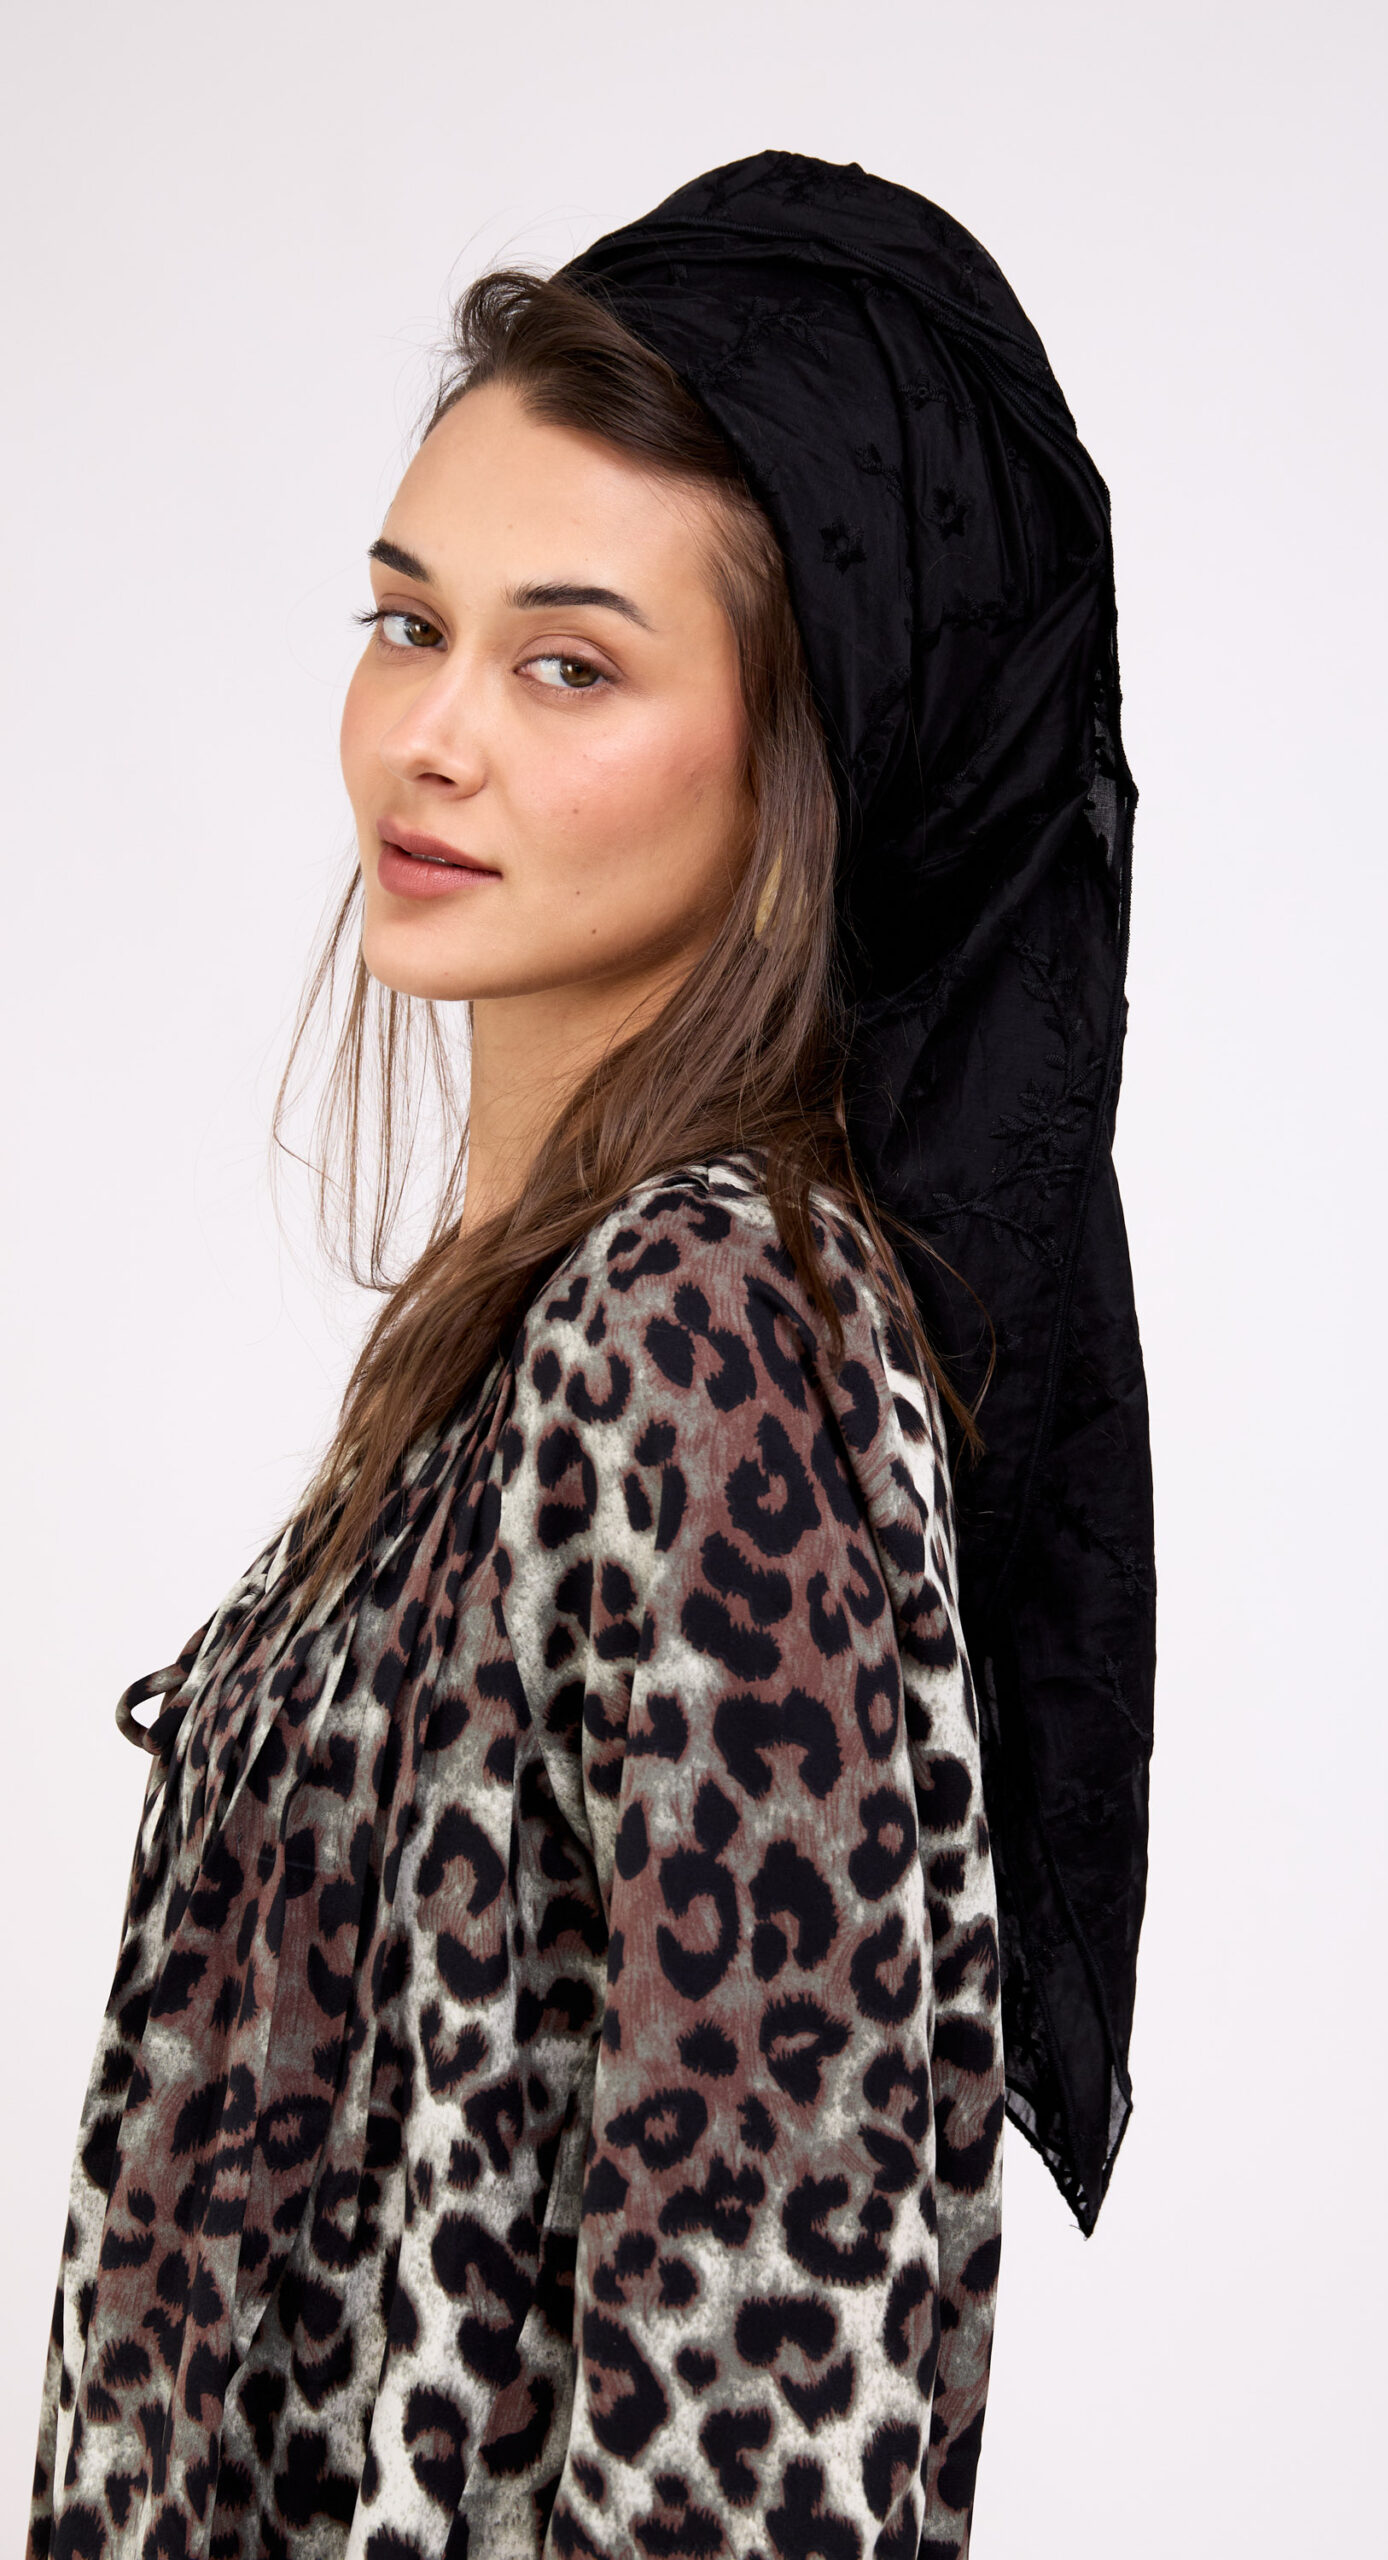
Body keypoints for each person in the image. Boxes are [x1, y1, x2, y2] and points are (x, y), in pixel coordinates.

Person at [29, 153, 1155, 2560]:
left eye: (567, 663)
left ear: (802, 753)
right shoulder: (527, 1326)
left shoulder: (710, 1329)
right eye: (403, 621)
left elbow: (765, 2366)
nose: (425, 736)